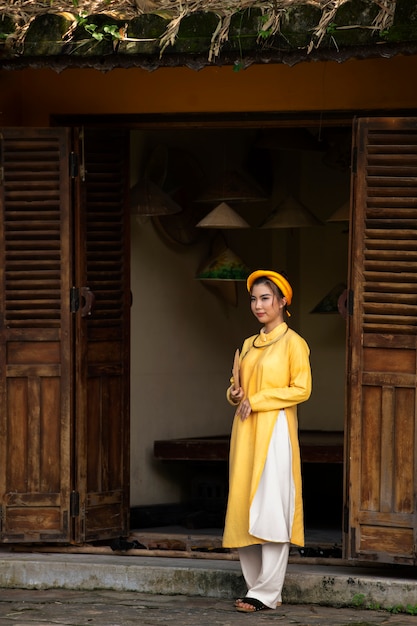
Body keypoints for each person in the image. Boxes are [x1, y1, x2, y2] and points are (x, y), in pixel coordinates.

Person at [222, 269, 312, 613]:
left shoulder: (294, 343)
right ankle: (255, 587)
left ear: (282, 302)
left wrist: (258, 400)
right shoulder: (248, 344)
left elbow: (301, 389)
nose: (258, 305)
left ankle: (267, 591)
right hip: (245, 432)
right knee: (244, 506)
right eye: (254, 299)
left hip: (274, 431)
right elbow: (238, 385)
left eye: (265, 298)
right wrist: (235, 393)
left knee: (272, 506)